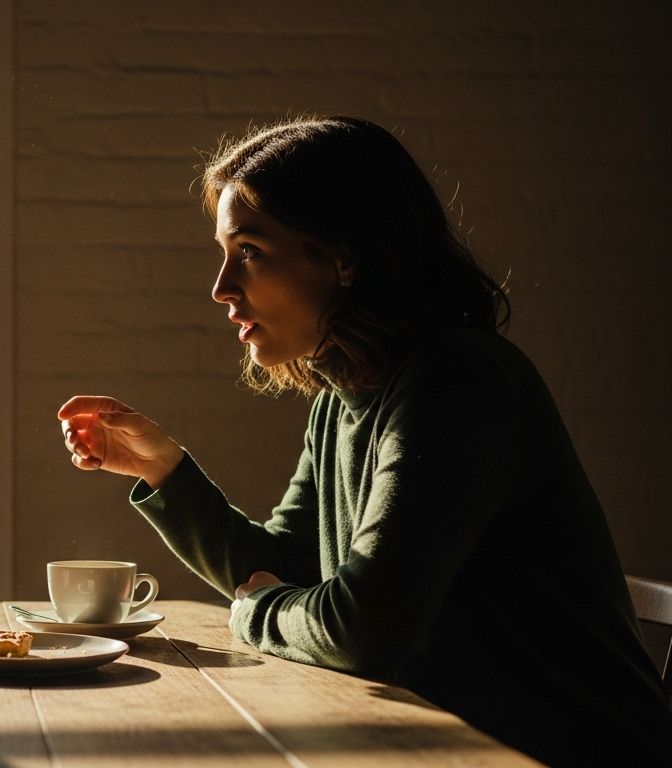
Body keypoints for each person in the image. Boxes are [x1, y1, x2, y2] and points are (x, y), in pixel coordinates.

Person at [57, 115, 672, 765]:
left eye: (251, 253)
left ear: (343, 256)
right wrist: (165, 472)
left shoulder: (457, 380)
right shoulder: (342, 398)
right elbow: (291, 570)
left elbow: (359, 628)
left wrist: (257, 610)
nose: (221, 289)